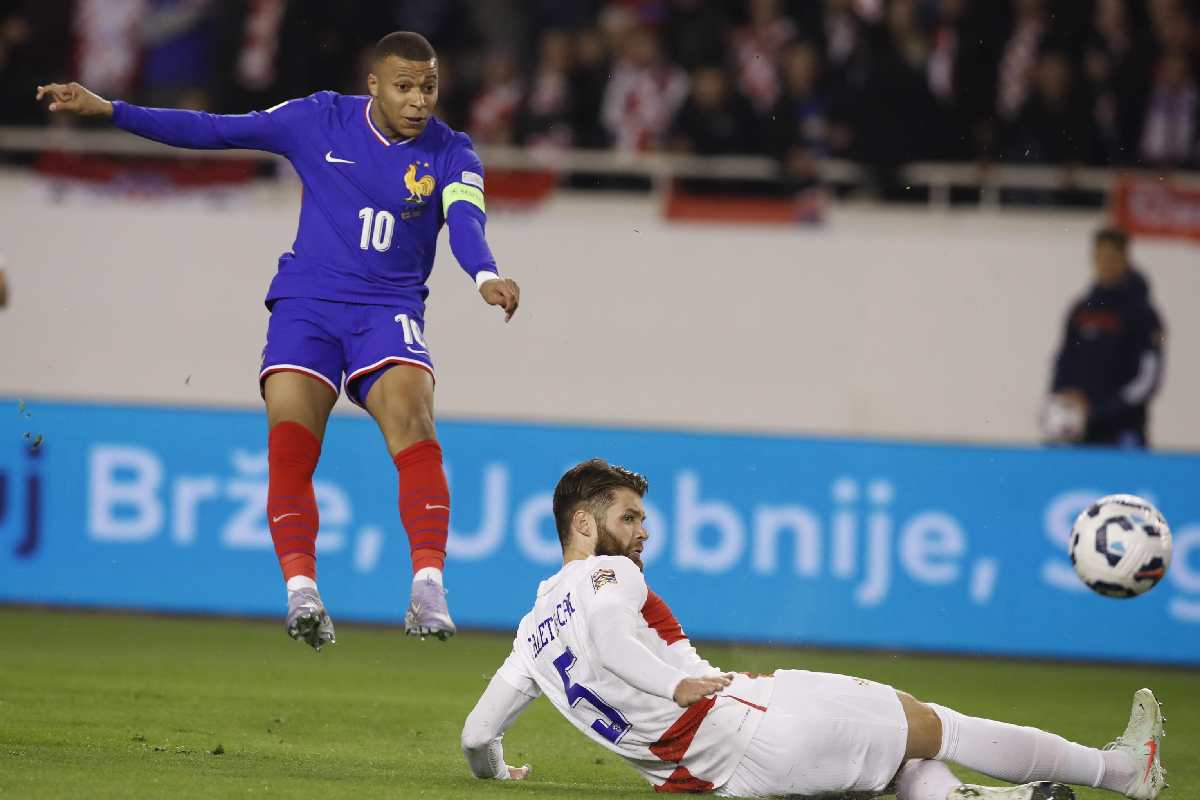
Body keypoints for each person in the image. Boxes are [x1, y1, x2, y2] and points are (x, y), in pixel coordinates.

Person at [36, 31, 521, 649]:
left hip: (388, 309)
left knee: (415, 421)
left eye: (428, 86)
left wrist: (484, 273)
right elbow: (213, 129)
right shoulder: (317, 119)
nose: (419, 100)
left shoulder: (453, 151)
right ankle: (302, 593)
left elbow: (465, 219)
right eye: (404, 86)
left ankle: (428, 585)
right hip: (307, 305)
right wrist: (109, 109)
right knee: (291, 447)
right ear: (372, 85)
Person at [461, 459, 1166, 799]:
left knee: (901, 766)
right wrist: (675, 684)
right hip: (757, 723)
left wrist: (497, 770)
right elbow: (616, 642)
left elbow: (476, 734)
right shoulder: (604, 578)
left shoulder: (531, 632)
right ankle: (1122, 771)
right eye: (628, 519)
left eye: (643, 519)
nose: (643, 532)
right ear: (582, 524)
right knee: (938, 726)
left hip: (716, 779)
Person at [1046, 228, 1165, 448]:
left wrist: (1102, 409)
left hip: (1123, 429)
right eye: (1099, 257)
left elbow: (1147, 379)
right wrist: (1060, 398)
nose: (1105, 264)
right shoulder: (1081, 309)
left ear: (1124, 259)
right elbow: (1064, 358)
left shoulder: (1143, 314)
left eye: (1111, 257)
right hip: (1078, 430)